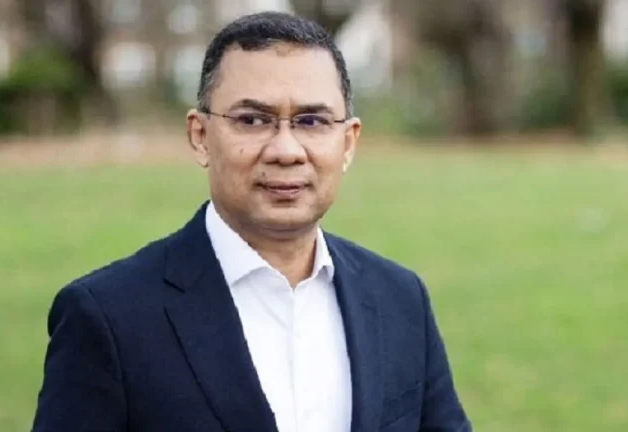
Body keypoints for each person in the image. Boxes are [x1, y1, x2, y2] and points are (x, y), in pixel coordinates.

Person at [31, 10, 471, 432]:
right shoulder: (108, 317)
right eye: (253, 120)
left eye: (312, 121)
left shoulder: (399, 299)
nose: (286, 150)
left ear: (348, 143)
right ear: (200, 136)